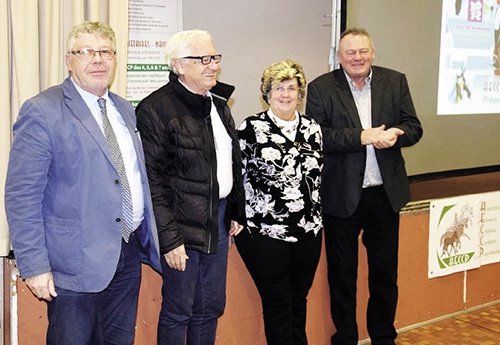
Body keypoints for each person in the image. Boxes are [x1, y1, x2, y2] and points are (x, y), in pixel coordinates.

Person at [4, 21, 161, 345]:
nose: (98, 60)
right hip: (72, 266)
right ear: (69, 60)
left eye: (105, 52)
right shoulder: (43, 110)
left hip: (126, 256)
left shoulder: (123, 108)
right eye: (87, 52)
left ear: (115, 59)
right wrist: (34, 266)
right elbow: (22, 195)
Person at [306, 27, 423, 345]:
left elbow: (414, 127)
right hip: (341, 196)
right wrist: (363, 136)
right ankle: (345, 338)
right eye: (350, 53)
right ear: (339, 57)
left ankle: (384, 337)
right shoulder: (320, 88)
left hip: (385, 194)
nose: (357, 58)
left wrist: (397, 133)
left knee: (385, 275)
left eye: (363, 51)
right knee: (342, 277)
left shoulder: (394, 80)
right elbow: (318, 136)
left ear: (373, 53)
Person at [135, 29, 245, 345]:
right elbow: (151, 182)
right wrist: (169, 240)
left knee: (210, 307)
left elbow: (231, 161)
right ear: (179, 65)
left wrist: (236, 207)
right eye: (203, 59)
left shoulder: (219, 106)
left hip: (217, 222)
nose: (213, 66)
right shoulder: (156, 109)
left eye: (214, 58)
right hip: (180, 226)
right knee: (178, 311)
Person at [235, 60, 323, 345]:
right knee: (278, 303)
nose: (285, 94)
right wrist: (236, 217)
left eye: (292, 88)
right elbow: (237, 177)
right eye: (278, 88)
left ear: (300, 93)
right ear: (267, 93)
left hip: (309, 232)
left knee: (299, 299)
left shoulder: (312, 129)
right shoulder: (251, 128)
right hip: (266, 234)